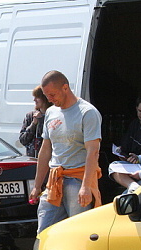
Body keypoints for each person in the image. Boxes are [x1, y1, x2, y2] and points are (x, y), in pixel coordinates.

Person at [28, 70, 102, 234]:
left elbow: (93, 153)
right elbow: (45, 150)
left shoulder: (87, 113)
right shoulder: (51, 112)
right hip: (54, 181)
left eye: (53, 94)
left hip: (77, 180)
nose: (50, 99)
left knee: (79, 233)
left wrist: (86, 186)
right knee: (44, 232)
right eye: (47, 96)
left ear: (65, 87)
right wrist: (37, 185)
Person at [19, 85, 53, 157]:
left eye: (37, 97)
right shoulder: (30, 116)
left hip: (47, 159)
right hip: (31, 158)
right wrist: (33, 124)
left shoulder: (53, 116)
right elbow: (23, 140)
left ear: (45, 98)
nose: (34, 100)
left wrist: (41, 121)